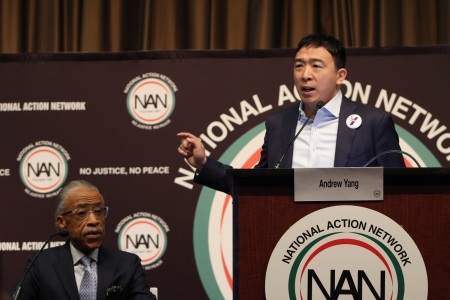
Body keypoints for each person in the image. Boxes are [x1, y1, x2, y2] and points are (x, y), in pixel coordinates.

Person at [177, 33, 406, 194]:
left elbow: (400, 190)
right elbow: (253, 187)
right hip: (293, 244)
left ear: (340, 76)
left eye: (316, 66)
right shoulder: (279, 124)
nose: (305, 75)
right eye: (299, 66)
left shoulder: (374, 123)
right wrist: (204, 163)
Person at [13, 180, 157, 300]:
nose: (94, 221)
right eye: (81, 213)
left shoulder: (127, 265)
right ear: (62, 222)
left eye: (99, 211)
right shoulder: (40, 265)